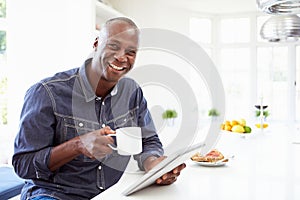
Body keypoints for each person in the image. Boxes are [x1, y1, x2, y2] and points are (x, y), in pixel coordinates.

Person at [12, 17, 186, 200]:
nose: (121, 57)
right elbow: (23, 165)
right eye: (113, 46)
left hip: (111, 194)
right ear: (96, 43)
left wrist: (154, 165)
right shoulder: (47, 92)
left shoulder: (132, 92)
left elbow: (148, 140)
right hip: (54, 194)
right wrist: (77, 145)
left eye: (131, 52)